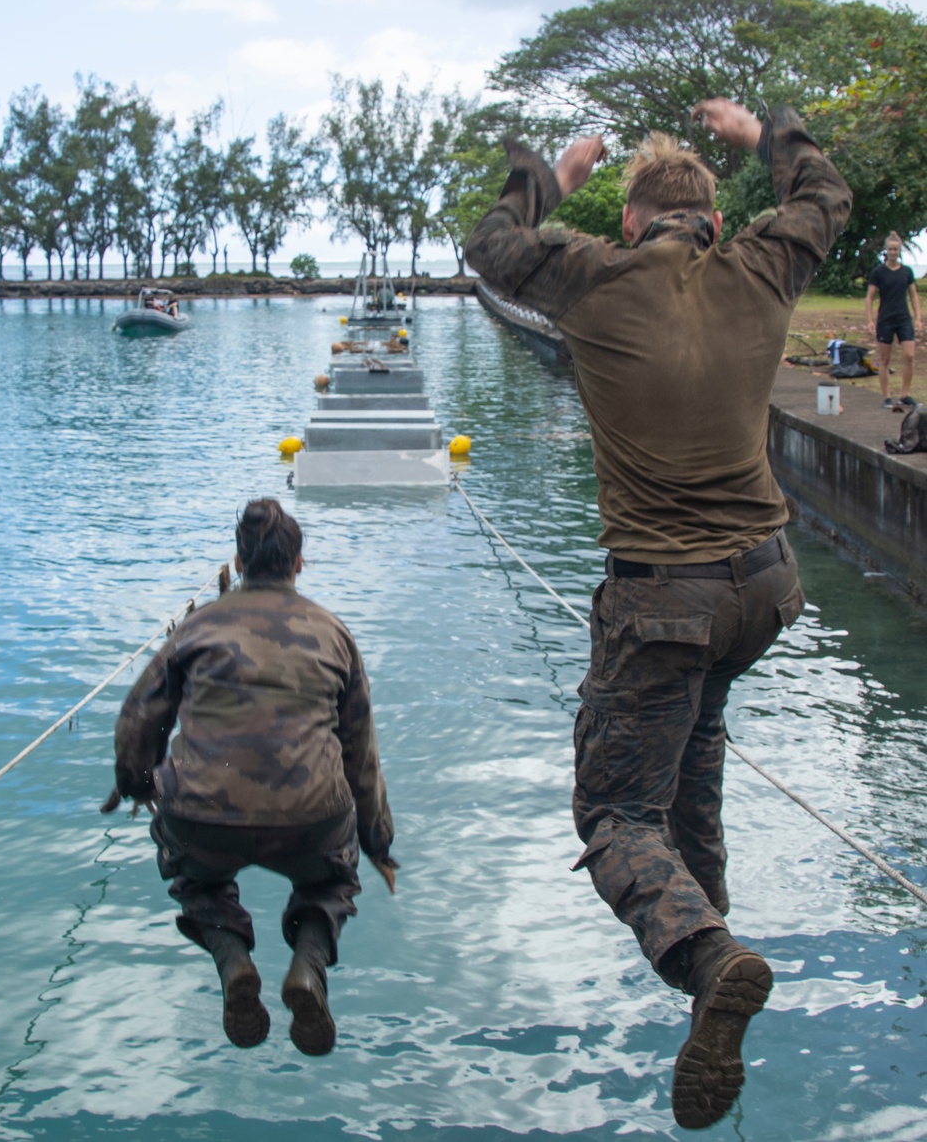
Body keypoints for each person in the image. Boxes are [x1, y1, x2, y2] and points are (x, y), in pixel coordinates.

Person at [464, 101, 851, 1130]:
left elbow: (491, 247)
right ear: (715, 224)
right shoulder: (762, 265)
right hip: (764, 591)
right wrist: (759, 130)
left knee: (615, 817)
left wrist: (556, 168)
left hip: (663, 600)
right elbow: (824, 194)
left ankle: (711, 957)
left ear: (629, 222)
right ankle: (710, 984)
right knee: (691, 759)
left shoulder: (595, 273)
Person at [103, 498, 396, 1055]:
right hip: (311, 819)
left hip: (203, 817)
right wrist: (378, 842)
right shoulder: (334, 633)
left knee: (197, 879)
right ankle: (307, 968)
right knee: (331, 880)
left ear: (239, 561)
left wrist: (138, 785)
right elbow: (361, 755)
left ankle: (234, 963)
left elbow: (137, 718)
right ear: (299, 563)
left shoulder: (197, 627)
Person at [865, 232, 923, 408]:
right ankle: (887, 397)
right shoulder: (878, 272)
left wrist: (918, 317)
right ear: (886, 251)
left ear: (899, 251)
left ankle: (905, 395)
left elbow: (913, 295)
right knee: (885, 359)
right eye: (890, 249)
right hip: (885, 320)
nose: (893, 252)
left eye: (896, 249)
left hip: (904, 318)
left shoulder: (907, 272)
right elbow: (869, 297)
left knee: (910, 356)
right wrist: (870, 320)